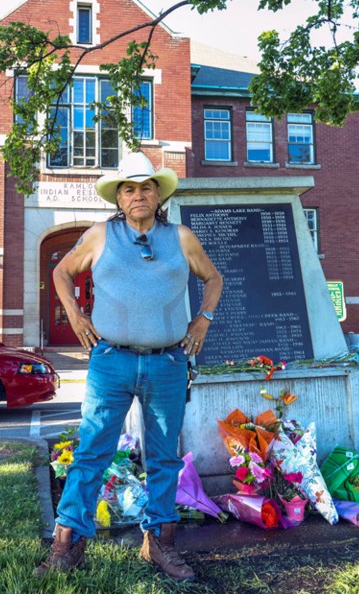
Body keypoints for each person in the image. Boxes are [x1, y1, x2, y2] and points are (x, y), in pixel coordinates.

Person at [35, 152, 223, 582]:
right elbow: (62, 274)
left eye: (146, 188)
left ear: (159, 195)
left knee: (163, 458)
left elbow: (213, 279)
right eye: (129, 189)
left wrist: (203, 319)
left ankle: (159, 542)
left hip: (168, 362)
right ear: (118, 198)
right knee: (91, 453)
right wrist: (78, 317)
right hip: (111, 361)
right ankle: (68, 544)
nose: (139, 195)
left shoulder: (181, 238)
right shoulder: (100, 235)